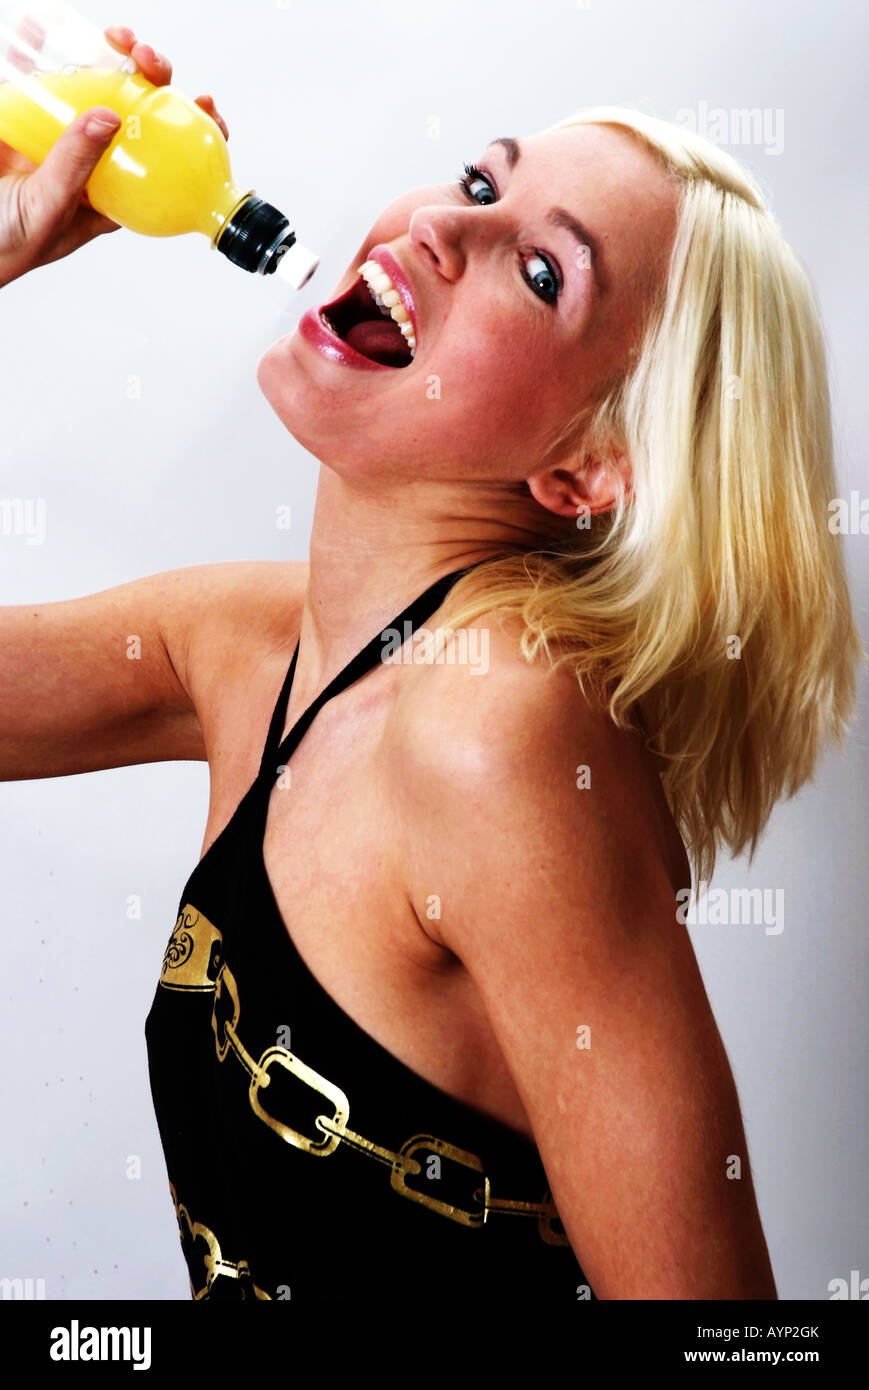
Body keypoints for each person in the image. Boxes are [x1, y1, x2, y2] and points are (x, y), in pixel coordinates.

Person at [2, 23, 861, 1303]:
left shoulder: (503, 731)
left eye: (538, 270)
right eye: (478, 184)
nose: (445, 232)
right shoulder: (253, 643)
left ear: (583, 468)